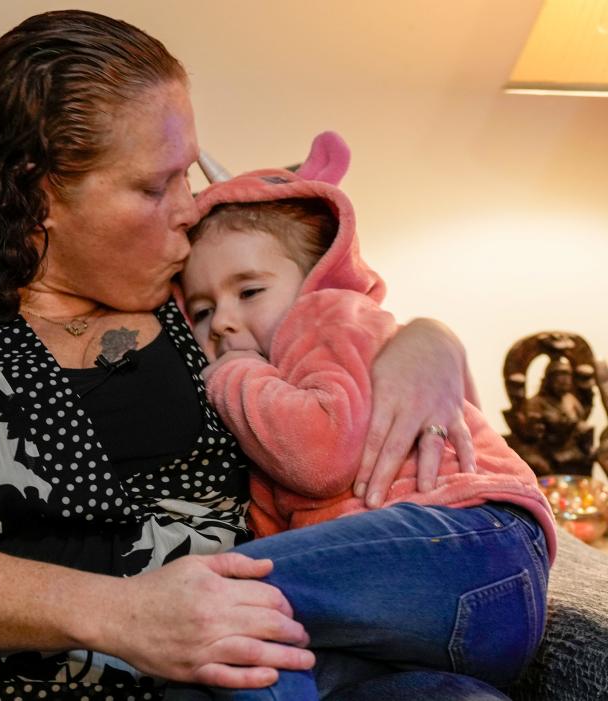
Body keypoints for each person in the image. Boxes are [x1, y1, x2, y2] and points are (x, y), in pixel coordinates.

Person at [0, 11, 525, 701]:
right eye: (155, 187)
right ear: (38, 195)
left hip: (253, 668)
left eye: (189, 170)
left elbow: (339, 329)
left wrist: (431, 340)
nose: (191, 209)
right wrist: (125, 612)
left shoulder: (203, 306)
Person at [173, 134, 554, 697]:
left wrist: (230, 374)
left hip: (469, 545)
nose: (223, 322)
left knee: (212, 600)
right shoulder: (269, 387)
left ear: (317, 278)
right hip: (425, 624)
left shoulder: (326, 317)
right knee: (246, 665)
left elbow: (320, 458)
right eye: (202, 311)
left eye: (249, 291)